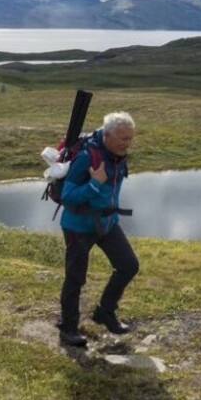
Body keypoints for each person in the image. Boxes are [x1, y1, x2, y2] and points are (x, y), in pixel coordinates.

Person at [57, 111, 139, 347]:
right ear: (108, 135)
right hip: (78, 226)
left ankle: (105, 312)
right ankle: (68, 327)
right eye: (123, 138)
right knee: (75, 277)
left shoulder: (119, 154)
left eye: (130, 138)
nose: (128, 143)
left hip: (107, 223)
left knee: (128, 265)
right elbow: (68, 196)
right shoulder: (86, 157)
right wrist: (94, 184)